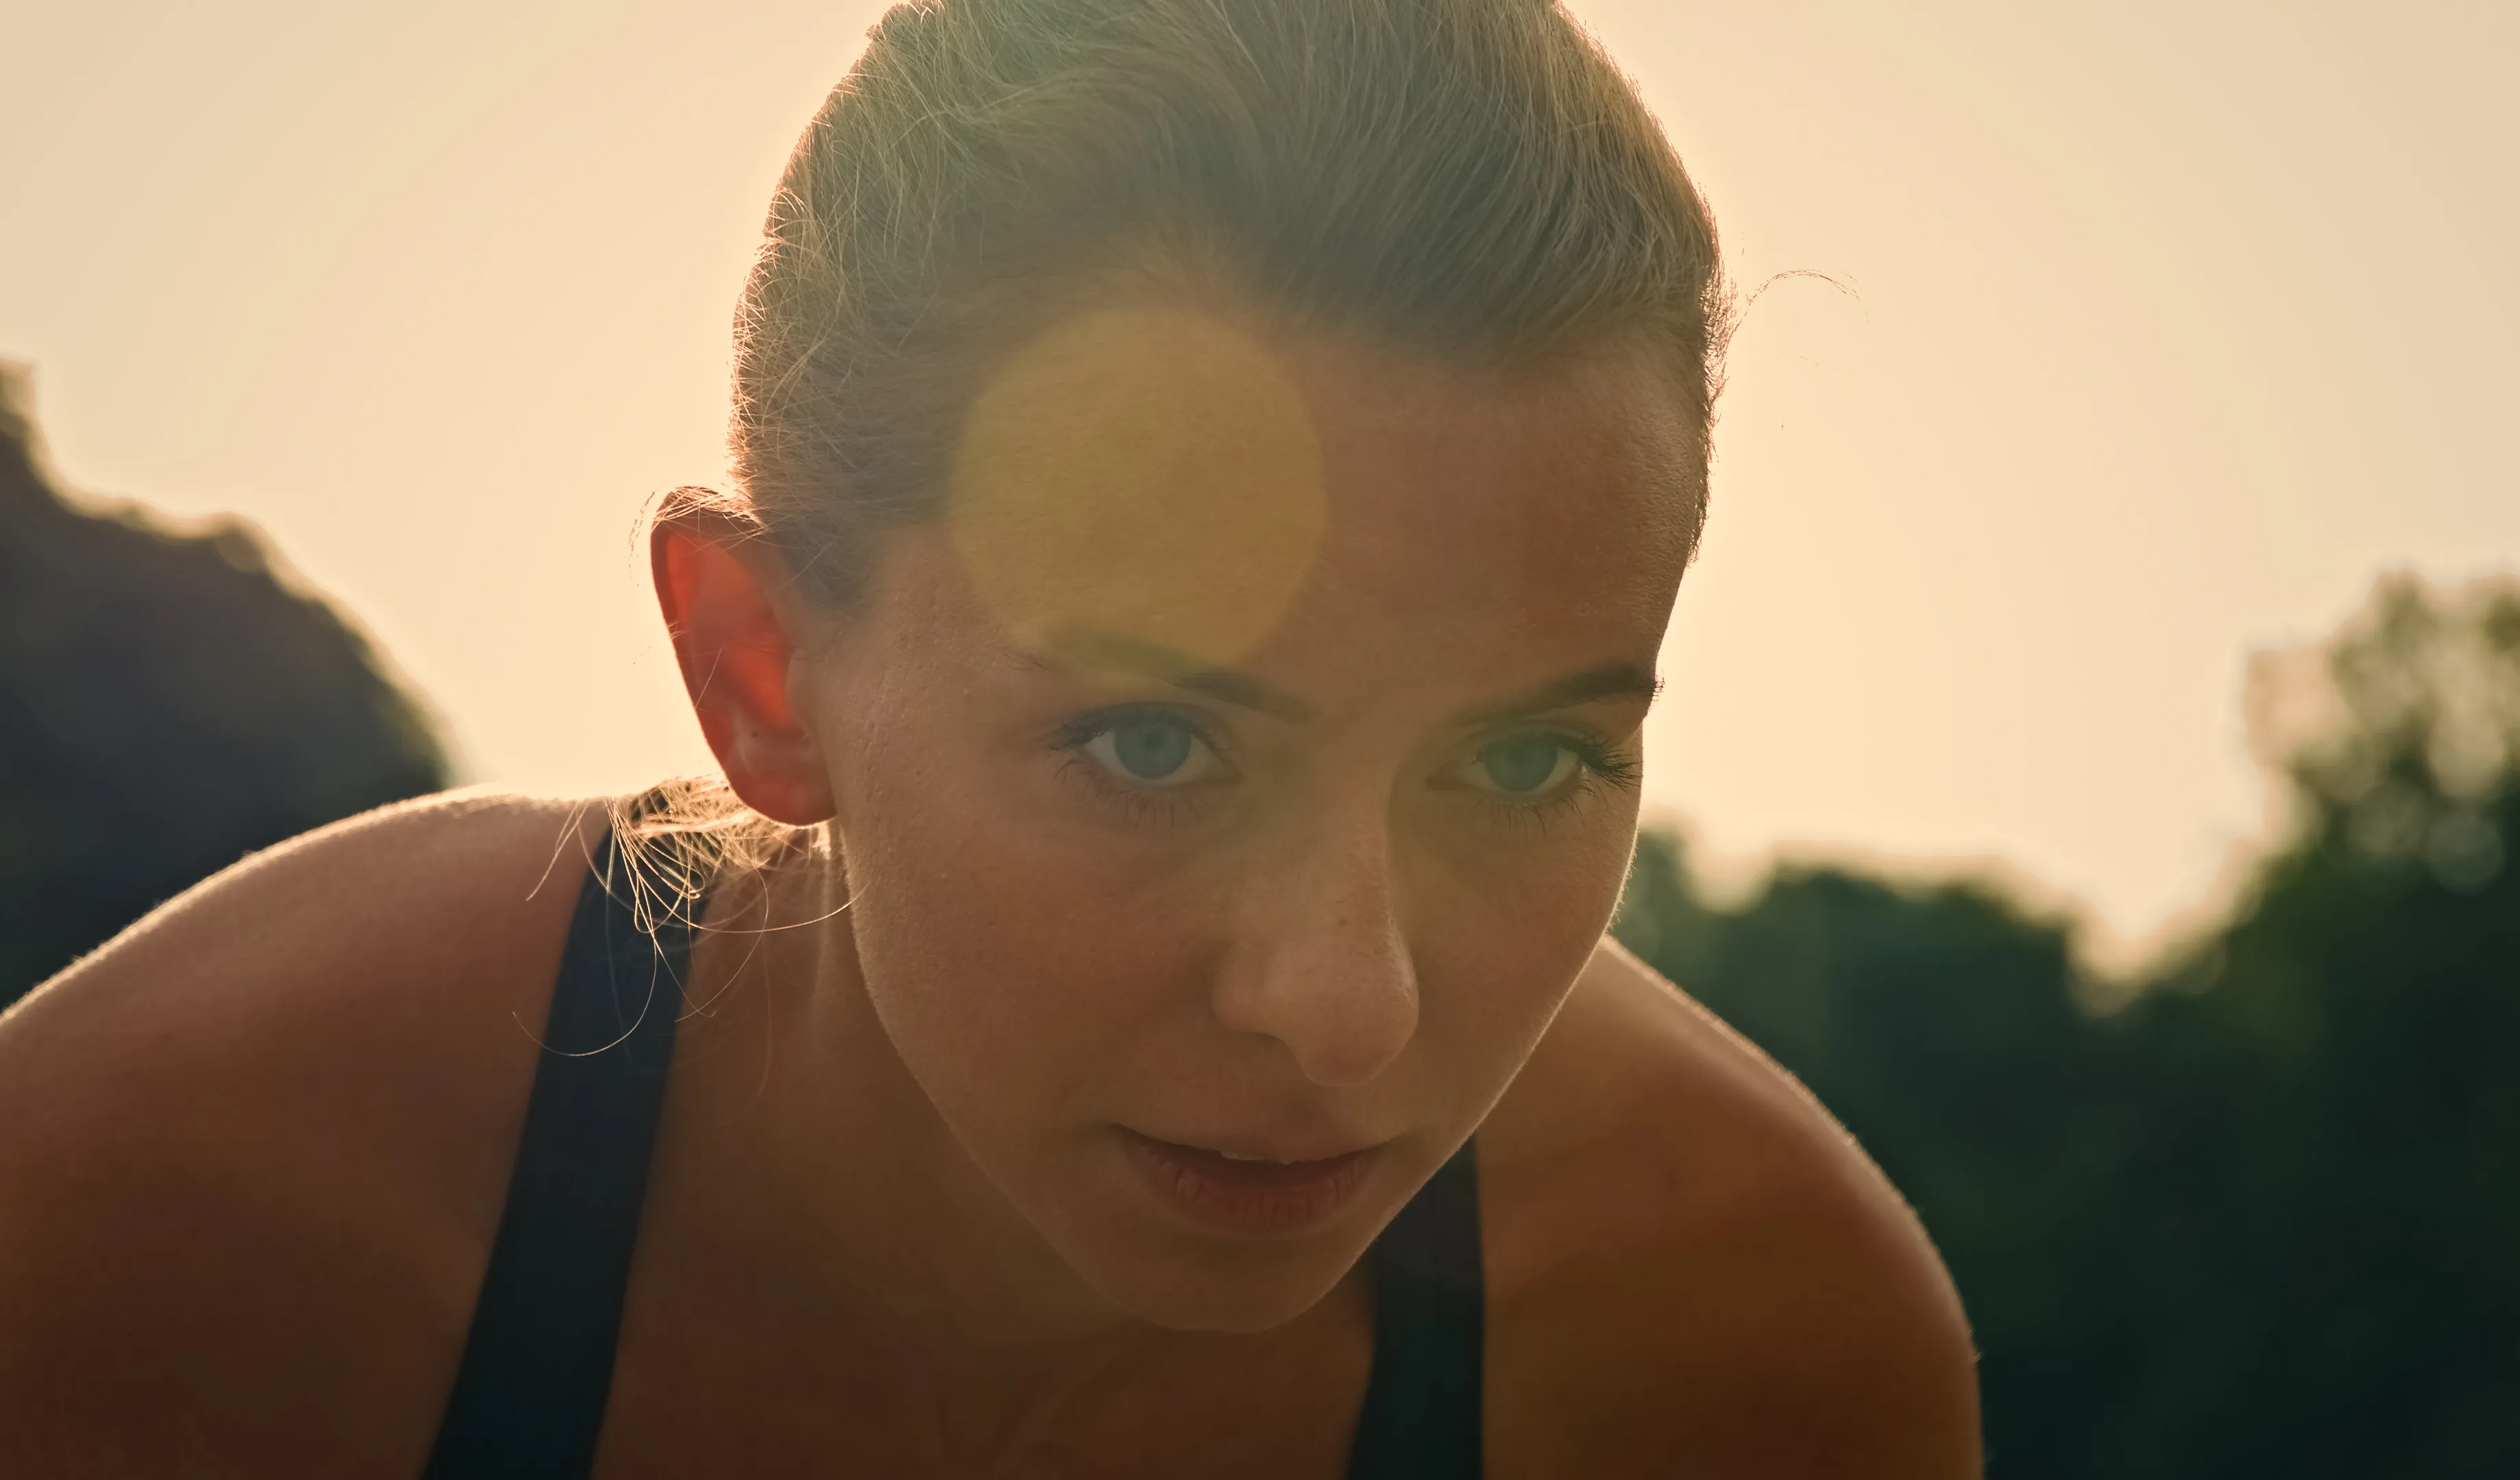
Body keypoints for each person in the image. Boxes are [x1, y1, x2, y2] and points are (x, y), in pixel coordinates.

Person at [0, 1, 1979, 1473]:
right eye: (1150, 748)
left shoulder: (1752, 1366)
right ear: (762, 674)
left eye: (1528, 765)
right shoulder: (163, 1223)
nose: (1347, 1008)